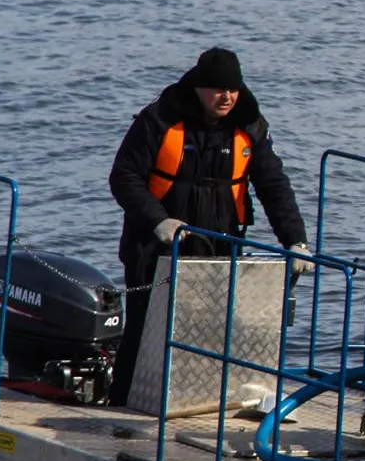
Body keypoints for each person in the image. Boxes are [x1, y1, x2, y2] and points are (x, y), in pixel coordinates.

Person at [108, 47, 311, 404]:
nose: (227, 96)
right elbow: (124, 177)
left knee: (212, 333)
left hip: (218, 250)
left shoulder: (249, 125)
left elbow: (274, 185)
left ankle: (196, 405)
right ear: (199, 87)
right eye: (218, 89)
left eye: (233, 88)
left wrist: (296, 241)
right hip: (154, 248)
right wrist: (159, 221)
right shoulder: (159, 119)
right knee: (144, 333)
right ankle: (122, 404)